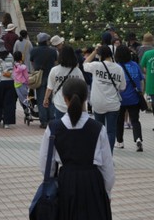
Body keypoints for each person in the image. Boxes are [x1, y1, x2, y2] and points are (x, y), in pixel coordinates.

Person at [39, 77, 114, 220]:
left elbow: (45, 165)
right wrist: (107, 192)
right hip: (93, 183)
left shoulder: (53, 128)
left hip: (66, 182)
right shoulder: (98, 128)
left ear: (64, 98)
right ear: (86, 98)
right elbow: (107, 168)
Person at [114, 45, 145, 152]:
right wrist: (141, 92)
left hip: (120, 98)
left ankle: (120, 142)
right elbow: (141, 80)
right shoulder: (135, 65)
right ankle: (138, 139)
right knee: (135, 120)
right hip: (134, 98)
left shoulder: (116, 67)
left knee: (119, 120)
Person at [43, 45, 85, 123]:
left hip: (59, 103)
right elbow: (83, 88)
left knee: (60, 126)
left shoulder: (54, 70)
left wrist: (46, 99)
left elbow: (49, 87)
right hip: (74, 104)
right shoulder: (77, 71)